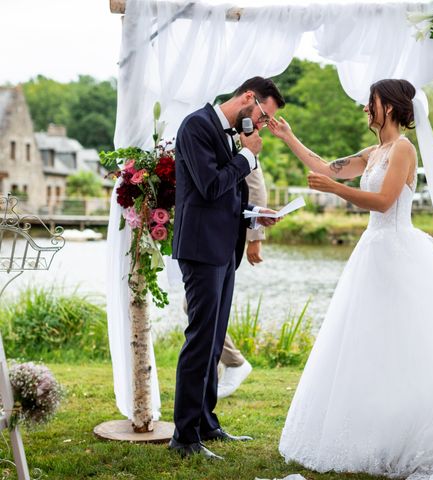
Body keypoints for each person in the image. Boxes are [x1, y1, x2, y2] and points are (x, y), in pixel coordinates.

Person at [270, 79, 433, 479]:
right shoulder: (373, 152)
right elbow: (327, 167)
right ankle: (377, 426)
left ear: (390, 108)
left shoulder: (403, 149)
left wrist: (335, 191)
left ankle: (418, 428)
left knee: (410, 343)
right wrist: (289, 136)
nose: (366, 108)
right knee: (371, 344)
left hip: (398, 252)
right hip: (372, 255)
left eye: (371, 102)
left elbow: (383, 201)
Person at [170, 77, 284, 459]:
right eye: (264, 115)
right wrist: (248, 156)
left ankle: (207, 423)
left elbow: (228, 196)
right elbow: (207, 186)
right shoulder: (197, 126)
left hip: (223, 250)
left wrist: (254, 217)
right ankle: (184, 436)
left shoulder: (230, 134)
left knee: (215, 342)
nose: (263, 125)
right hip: (201, 249)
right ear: (248, 98)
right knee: (200, 341)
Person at [181, 166, 268, 399]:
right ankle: (214, 375)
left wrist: (255, 237)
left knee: (198, 306)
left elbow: (254, 185)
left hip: (223, 236)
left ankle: (233, 362)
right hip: (199, 227)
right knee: (197, 307)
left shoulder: (240, 136)